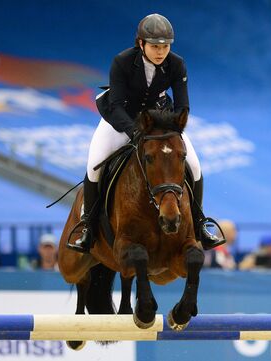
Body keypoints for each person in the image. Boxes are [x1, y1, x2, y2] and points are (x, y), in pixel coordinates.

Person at [69, 13, 224, 253]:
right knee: (94, 166)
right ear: (141, 44)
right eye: (154, 46)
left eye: (165, 46)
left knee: (194, 165)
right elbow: (117, 105)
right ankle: (88, 225)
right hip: (120, 120)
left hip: (159, 123)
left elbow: (182, 106)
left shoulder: (176, 64)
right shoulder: (122, 61)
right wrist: (135, 131)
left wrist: (172, 129)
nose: (161, 51)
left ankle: (199, 223)